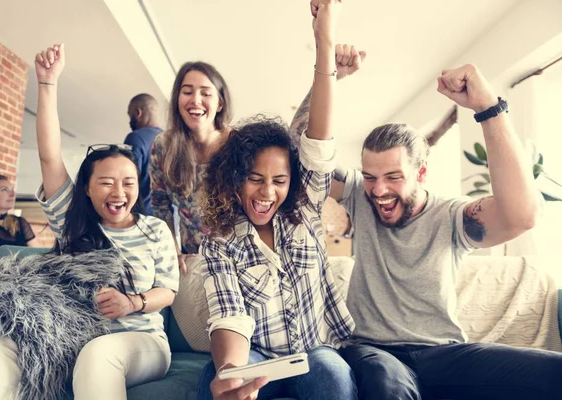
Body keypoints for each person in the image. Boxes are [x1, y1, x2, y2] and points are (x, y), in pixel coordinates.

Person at [290, 63, 562, 399]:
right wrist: (325, 75)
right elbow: (299, 158)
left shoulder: (452, 216)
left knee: (554, 371)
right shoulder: (359, 195)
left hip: (444, 354)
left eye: (393, 176)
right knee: (385, 382)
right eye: (371, 177)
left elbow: (522, 216)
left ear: (421, 173)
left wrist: (487, 106)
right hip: (373, 350)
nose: (378, 190)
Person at [0, 43, 179, 400]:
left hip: (142, 342)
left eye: (128, 183)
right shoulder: (73, 221)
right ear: (88, 190)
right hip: (70, 336)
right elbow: (50, 157)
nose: (118, 192)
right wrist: (47, 84)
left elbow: (168, 292)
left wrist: (132, 302)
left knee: (99, 355)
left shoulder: (154, 230)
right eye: (106, 182)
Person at [197, 1, 359, 399]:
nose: (267, 192)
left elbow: (319, 141)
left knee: (332, 375)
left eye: (279, 180)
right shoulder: (219, 240)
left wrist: (325, 42)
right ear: (235, 180)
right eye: (255, 179)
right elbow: (229, 314)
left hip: (315, 352)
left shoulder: (303, 209)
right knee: (215, 385)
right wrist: (233, 371)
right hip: (255, 357)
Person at [149, 58, 232, 274]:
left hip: (237, 262)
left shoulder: (237, 144)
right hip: (192, 264)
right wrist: (173, 252)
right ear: (177, 99)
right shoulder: (163, 146)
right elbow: (161, 208)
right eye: (187, 91)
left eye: (206, 93)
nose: (196, 100)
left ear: (220, 103)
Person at [124, 93, 163, 216]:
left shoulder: (136, 138)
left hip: (143, 219)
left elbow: (126, 182)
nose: (130, 121)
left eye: (130, 116)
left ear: (138, 113)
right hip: (168, 221)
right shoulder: (173, 140)